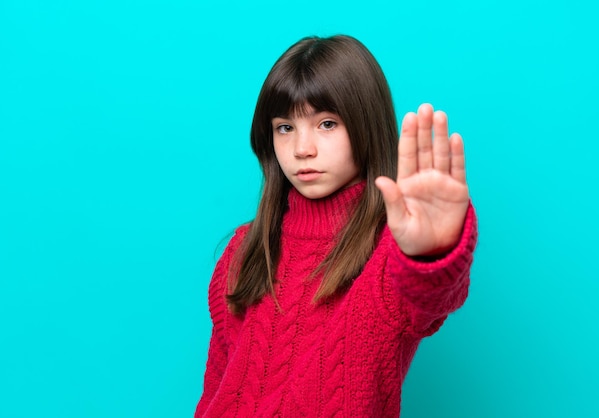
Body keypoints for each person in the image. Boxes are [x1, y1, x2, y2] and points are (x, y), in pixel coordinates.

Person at [195, 34, 477, 417]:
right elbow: (216, 389)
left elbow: (430, 296)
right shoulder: (244, 249)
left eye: (326, 124)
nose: (301, 149)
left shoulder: (390, 253)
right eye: (285, 127)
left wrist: (430, 253)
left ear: (365, 124)